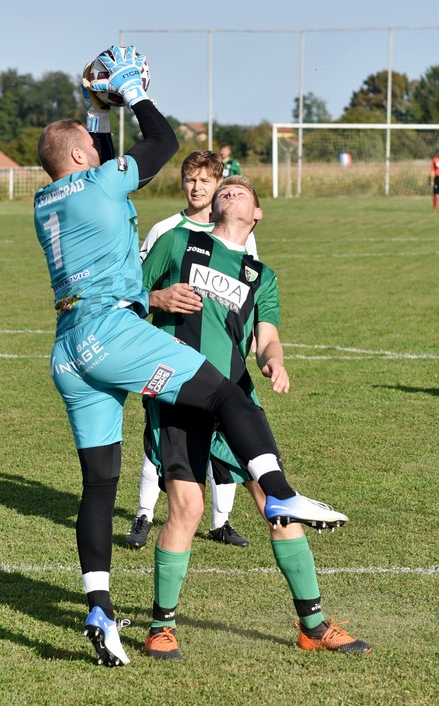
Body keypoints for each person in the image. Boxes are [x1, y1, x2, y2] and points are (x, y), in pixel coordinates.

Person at [33, 45, 346, 668]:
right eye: (93, 147)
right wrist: (133, 92)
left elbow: (95, 156)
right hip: (111, 330)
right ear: (80, 159)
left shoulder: (50, 199)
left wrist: (97, 109)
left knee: (99, 483)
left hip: (69, 347)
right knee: (225, 399)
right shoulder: (137, 209)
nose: (102, 152)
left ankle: (99, 608)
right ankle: (279, 493)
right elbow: (162, 141)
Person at [139, 175, 371, 661]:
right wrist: (157, 299)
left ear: (257, 214)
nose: (231, 190)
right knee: (188, 508)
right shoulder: (177, 242)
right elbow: (123, 295)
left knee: (277, 502)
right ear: (212, 207)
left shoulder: (261, 275)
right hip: (178, 393)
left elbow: (267, 337)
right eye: (225, 189)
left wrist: (273, 361)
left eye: (242, 191)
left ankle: (313, 625)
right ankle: (161, 627)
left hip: (235, 400)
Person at [127, 150, 257, 550]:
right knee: (163, 436)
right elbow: (135, 287)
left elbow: (251, 288)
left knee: (226, 436)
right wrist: (158, 299)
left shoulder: (241, 233)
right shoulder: (167, 230)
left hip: (223, 354)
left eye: (205, 180)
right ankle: (144, 514)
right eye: (190, 179)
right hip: (172, 353)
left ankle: (221, 521)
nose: (197, 187)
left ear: (218, 185)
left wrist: (253, 335)